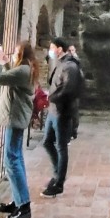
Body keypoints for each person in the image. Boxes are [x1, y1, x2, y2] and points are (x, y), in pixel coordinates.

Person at [0, 40, 38, 218]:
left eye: (17, 52)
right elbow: (11, 73)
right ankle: (19, 200)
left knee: (11, 160)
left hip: (15, 118)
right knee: (15, 158)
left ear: (23, 55)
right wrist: (5, 62)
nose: (14, 55)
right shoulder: (26, 69)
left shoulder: (23, 71)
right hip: (17, 118)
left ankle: (24, 207)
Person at [41, 37, 83, 197]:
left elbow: (68, 90)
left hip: (62, 112)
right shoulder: (62, 64)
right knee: (46, 142)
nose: (50, 51)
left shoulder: (70, 66)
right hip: (54, 111)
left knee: (61, 146)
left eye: (52, 47)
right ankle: (57, 172)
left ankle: (59, 183)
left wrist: (51, 97)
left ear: (59, 49)